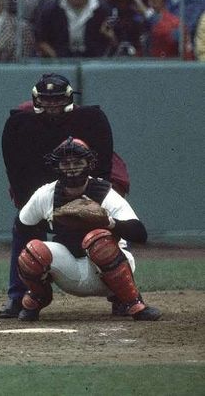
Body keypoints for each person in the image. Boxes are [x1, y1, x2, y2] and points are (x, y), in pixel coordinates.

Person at [0, 73, 114, 321]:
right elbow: (16, 169)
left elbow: (104, 166)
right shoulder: (20, 124)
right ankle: (19, 296)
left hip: (84, 189)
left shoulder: (91, 120)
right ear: (36, 99)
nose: (52, 105)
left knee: (109, 232)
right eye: (46, 99)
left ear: (69, 99)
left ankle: (122, 296)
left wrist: (92, 198)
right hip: (44, 194)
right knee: (23, 227)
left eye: (57, 99)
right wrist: (28, 203)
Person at [16, 137, 161, 321]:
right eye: (65, 163)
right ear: (57, 167)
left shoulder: (104, 193)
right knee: (33, 251)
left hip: (107, 271)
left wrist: (108, 222)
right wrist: (40, 272)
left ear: (88, 164)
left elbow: (140, 234)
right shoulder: (47, 194)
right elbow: (22, 227)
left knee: (98, 240)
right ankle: (39, 295)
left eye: (77, 162)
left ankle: (132, 302)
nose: (71, 168)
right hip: (69, 270)